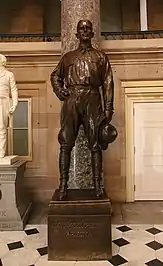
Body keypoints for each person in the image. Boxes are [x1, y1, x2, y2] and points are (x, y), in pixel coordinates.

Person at [51, 20, 114, 200]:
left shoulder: (101, 57)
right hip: (71, 99)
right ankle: (63, 184)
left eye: (88, 28)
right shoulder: (68, 57)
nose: (85, 31)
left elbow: (108, 83)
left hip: (93, 98)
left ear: (92, 33)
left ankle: (97, 185)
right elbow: (55, 75)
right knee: (65, 142)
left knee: (95, 144)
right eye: (82, 28)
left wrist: (108, 108)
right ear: (77, 34)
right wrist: (59, 89)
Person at [0, 54, 18, 158]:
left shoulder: (9, 74)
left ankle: (1, 152)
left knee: (1, 127)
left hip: (4, 101)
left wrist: (14, 104)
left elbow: (14, 89)